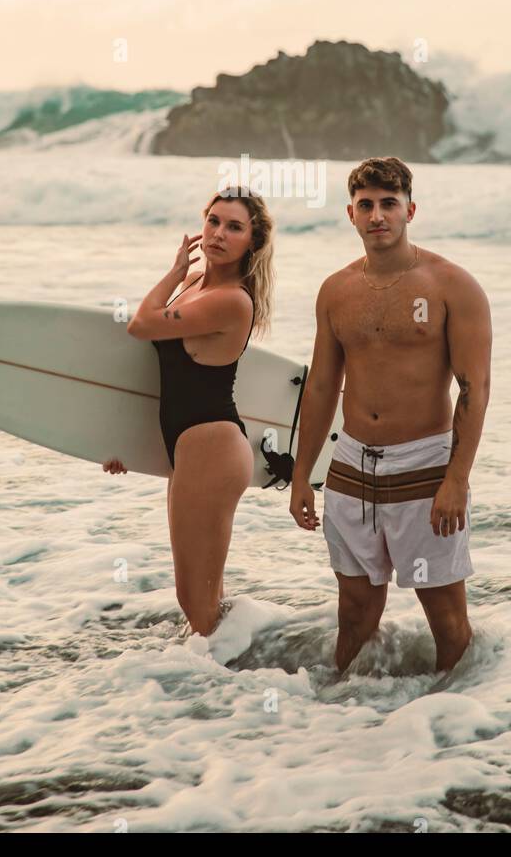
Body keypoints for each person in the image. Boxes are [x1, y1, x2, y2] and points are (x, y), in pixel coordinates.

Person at [289, 156, 491, 674]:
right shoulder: (336, 290)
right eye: (366, 205)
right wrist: (301, 476)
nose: (377, 215)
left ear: (409, 210)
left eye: (388, 204)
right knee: (354, 612)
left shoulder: (452, 285)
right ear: (350, 215)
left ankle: (455, 726)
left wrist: (456, 479)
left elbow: (474, 389)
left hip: (425, 467)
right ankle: (337, 710)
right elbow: (320, 387)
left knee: (445, 618)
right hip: (353, 466)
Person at [104, 187, 274, 637]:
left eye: (234, 227)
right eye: (213, 221)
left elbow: (142, 324)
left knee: (195, 600)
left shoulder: (231, 300)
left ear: (251, 243)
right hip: (191, 446)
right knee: (199, 599)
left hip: (212, 448)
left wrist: (174, 270)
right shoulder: (199, 286)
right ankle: (228, 673)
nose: (219, 233)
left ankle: (224, 691)